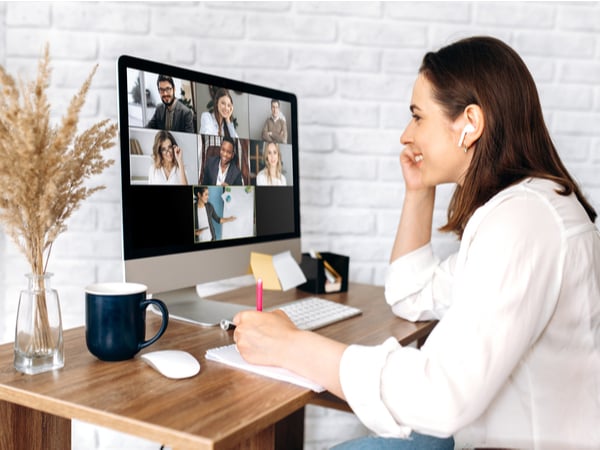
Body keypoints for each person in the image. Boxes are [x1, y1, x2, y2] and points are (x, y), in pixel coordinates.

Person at [231, 36, 600, 450]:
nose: (406, 135)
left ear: (470, 124)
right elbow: (411, 294)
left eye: (418, 117)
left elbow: (442, 395)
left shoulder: (523, 223)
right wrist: (418, 190)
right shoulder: (528, 207)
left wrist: (292, 346)